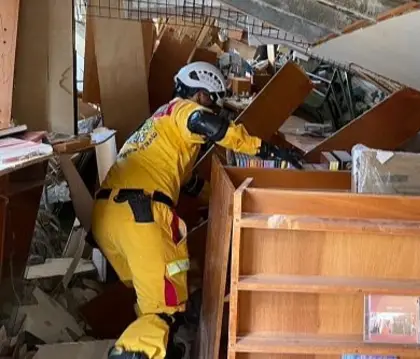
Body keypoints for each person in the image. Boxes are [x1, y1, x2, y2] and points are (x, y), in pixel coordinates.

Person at [91, 62, 300, 359]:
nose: (214, 110)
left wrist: (229, 196)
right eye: (213, 101)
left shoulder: (158, 128)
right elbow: (204, 124)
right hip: (140, 214)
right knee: (164, 309)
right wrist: (264, 150)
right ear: (201, 95)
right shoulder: (182, 111)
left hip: (109, 216)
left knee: (152, 301)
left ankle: (163, 350)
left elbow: (187, 184)